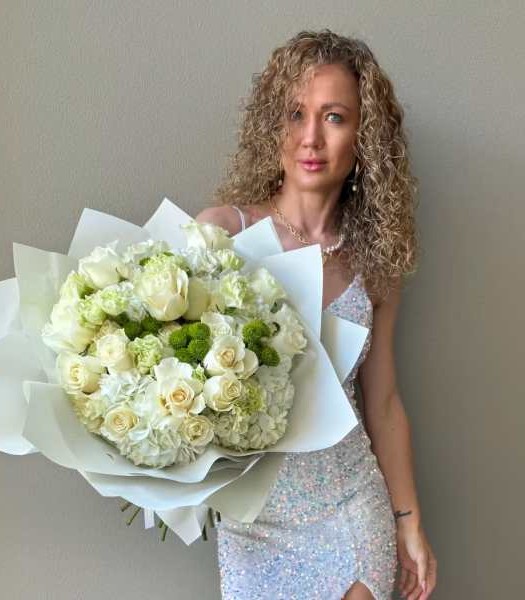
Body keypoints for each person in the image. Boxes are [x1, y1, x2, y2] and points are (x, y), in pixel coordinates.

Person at [196, 30, 438, 600]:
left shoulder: (376, 265)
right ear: (272, 126)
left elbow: (382, 402)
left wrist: (409, 521)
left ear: (364, 136)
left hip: (351, 508)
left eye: (333, 117)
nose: (310, 137)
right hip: (253, 525)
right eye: (295, 114)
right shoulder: (222, 233)